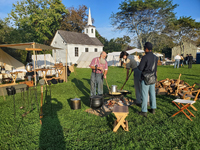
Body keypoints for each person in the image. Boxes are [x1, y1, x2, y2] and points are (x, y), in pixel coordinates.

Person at [138, 42, 158, 117]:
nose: (144, 50)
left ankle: (144, 111)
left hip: (145, 78)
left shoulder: (145, 57)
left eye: (144, 48)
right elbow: (155, 68)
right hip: (153, 77)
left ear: (146, 48)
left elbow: (140, 68)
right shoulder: (155, 57)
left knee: (144, 94)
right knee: (152, 93)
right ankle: (153, 108)